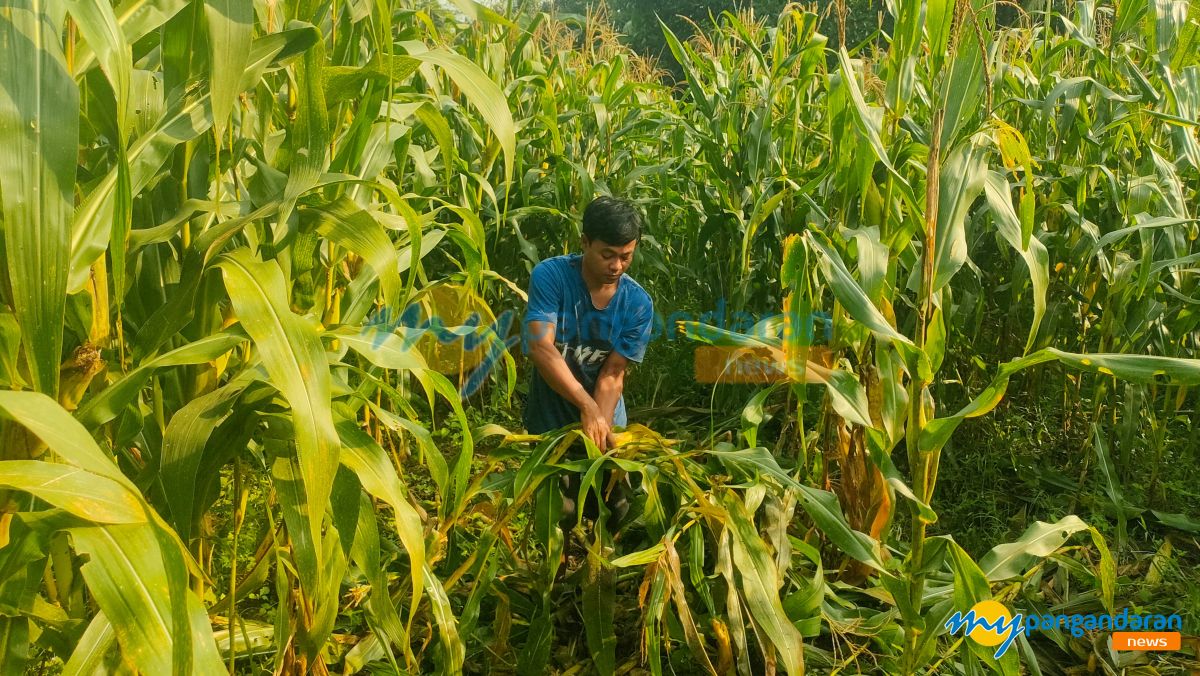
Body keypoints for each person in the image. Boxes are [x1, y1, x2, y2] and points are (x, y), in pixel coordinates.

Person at [522, 196, 654, 531]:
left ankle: (605, 573)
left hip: (606, 415)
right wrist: (586, 405)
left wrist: (601, 424)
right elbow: (540, 347)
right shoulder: (550, 277)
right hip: (551, 422)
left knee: (615, 507)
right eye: (607, 254)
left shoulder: (637, 303)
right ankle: (555, 578)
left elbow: (612, 372)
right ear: (584, 243)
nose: (617, 266)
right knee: (557, 515)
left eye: (626, 256)